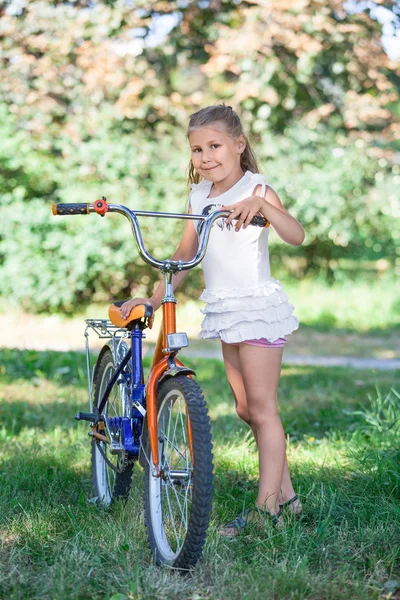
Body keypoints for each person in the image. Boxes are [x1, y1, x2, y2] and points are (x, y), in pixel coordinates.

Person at [120, 104, 305, 536]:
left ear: (239, 145)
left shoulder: (258, 188)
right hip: (225, 312)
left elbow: (296, 235)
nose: (205, 157)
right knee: (246, 408)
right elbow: (185, 257)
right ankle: (288, 497)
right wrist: (153, 296)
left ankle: (267, 512)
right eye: (197, 149)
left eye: (214, 146)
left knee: (263, 409)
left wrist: (262, 204)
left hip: (256, 310)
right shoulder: (199, 196)